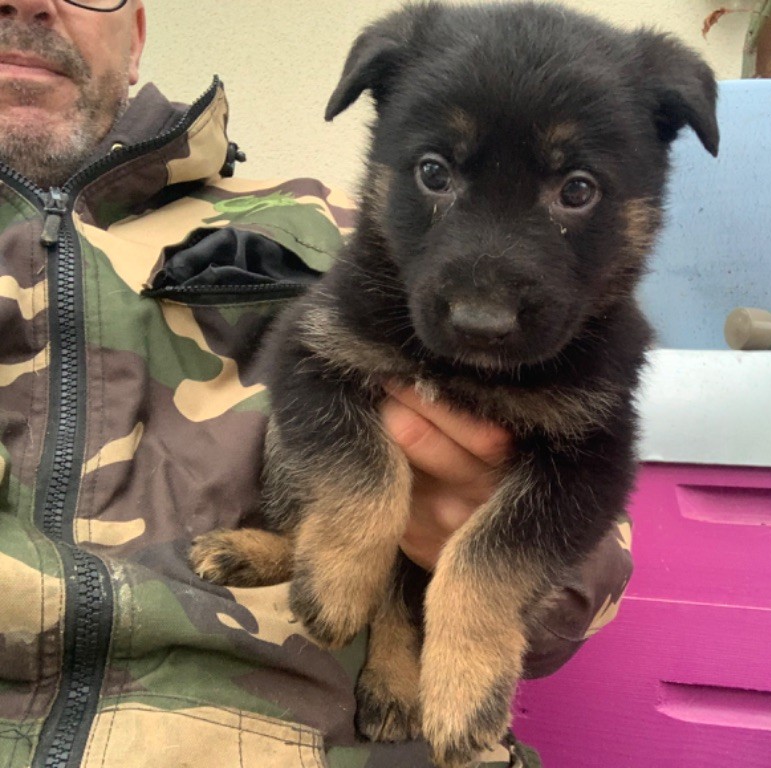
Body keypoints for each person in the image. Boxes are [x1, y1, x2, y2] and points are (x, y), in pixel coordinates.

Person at [0, 1, 634, 766]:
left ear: (135, 37)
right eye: (436, 174)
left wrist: (481, 559)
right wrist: (351, 516)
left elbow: (587, 568)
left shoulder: (318, 227)